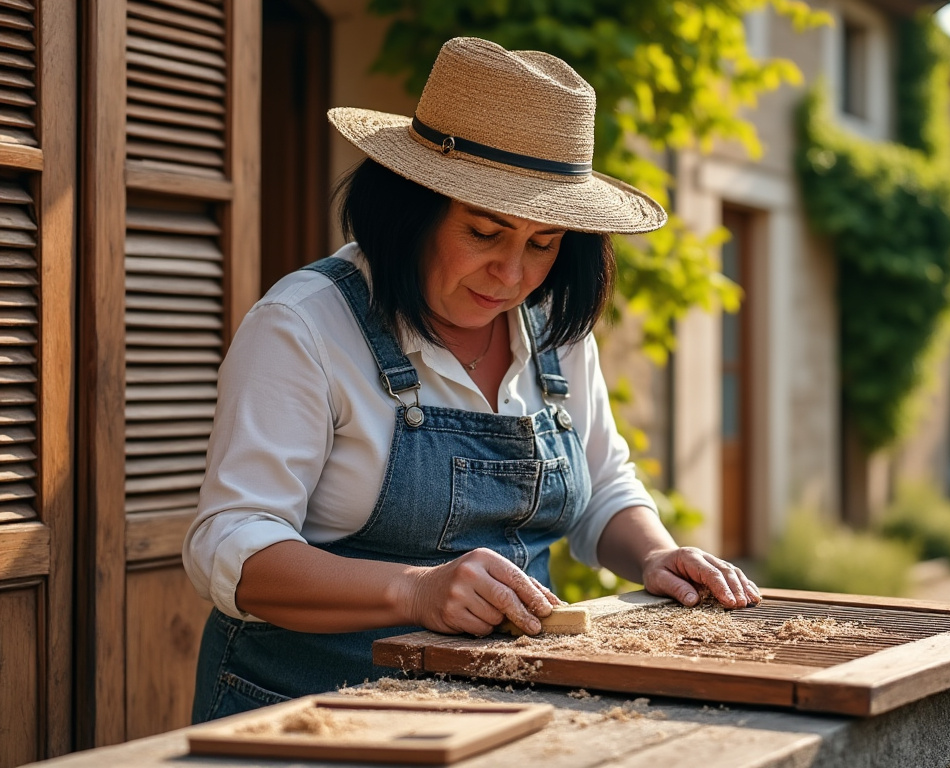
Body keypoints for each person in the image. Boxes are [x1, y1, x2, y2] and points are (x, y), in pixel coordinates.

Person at [184, 37, 760, 723]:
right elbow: (230, 545)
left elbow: (605, 488)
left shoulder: (551, 330)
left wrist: (656, 555)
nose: (514, 275)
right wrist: (415, 591)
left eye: (543, 244)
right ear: (412, 207)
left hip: (502, 712)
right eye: (487, 232)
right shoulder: (304, 326)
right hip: (309, 713)